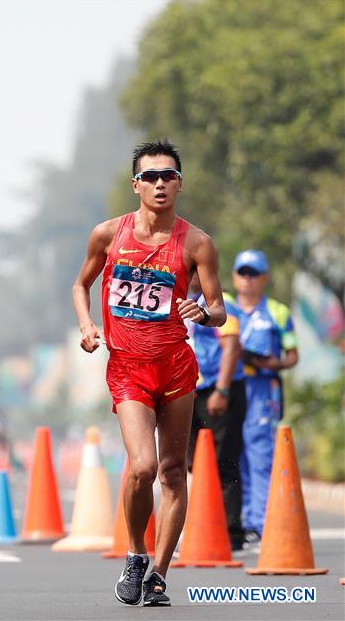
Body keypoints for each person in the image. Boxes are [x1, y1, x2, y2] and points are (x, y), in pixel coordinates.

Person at [72, 140, 226, 607]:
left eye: (169, 176)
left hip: (176, 368)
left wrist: (202, 311)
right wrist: (87, 325)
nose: (160, 184)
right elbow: (81, 285)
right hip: (127, 368)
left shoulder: (197, 244)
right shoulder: (108, 235)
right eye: (151, 176)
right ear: (135, 184)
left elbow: (219, 309)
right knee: (141, 466)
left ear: (180, 183)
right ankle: (136, 553)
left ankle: (158, 573)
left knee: (173, 471)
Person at [231, 249, 298, 546]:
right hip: (232, 387)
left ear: (264, 278)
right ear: (234, 277)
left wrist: (275, 364)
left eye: (253, 274)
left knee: (259, 455)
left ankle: (260, 523)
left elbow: (293, 355)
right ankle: (239, 522)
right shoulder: (225, 307)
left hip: (262, 389)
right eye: (242, 273)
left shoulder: (278, 311)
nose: (247, 280)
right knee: (234, 456)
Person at [186, 273, 247, 550]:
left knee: (224, 462)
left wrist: (222, 390)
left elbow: (231, 345)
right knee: (191, 463)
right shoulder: (183, 302)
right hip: (191, 392)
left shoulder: (221, 304)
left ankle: (231, 533)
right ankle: (203, 527)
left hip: (219, 392)